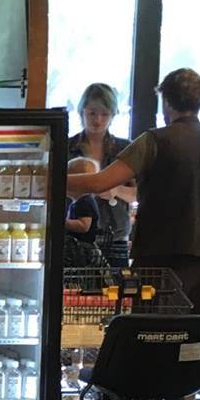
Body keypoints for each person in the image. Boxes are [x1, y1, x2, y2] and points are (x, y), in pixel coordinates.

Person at [66, 67, 200, 320]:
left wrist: (49, 180)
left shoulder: (153, 141)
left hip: (157, 264)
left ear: (166, 101)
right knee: (194, 337)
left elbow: (101, 182)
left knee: (151, 336)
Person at [72, 82, 133, 265]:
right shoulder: (67, 147)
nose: (97, 120)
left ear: (113, 115)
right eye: (92, 113)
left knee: (117, 292)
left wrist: (116, 190)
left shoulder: (126, 149)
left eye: (104, 114)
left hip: (116, 238)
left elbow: (141, 193)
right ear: (82, 111)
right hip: (76, 238)